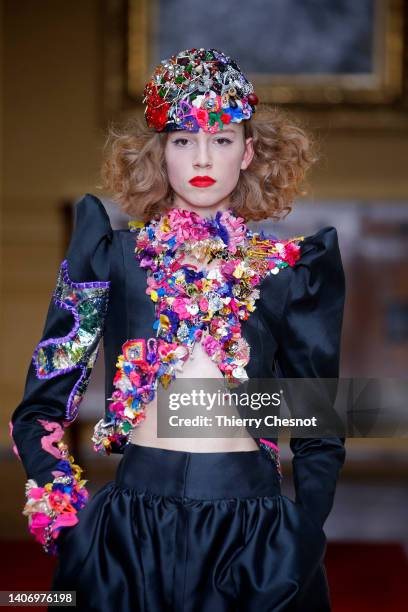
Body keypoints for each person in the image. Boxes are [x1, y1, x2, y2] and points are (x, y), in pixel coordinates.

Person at [9, 47, 346, 611]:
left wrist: (303, 534)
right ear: (159, 153)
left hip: (255, 531)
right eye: (183, 139)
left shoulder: (288, 272)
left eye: (221, 138)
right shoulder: (111, 257)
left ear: (248, 152)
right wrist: (69, 523)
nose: (202, 157)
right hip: (128, 530)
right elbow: (41, 405)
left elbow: (314, 425)